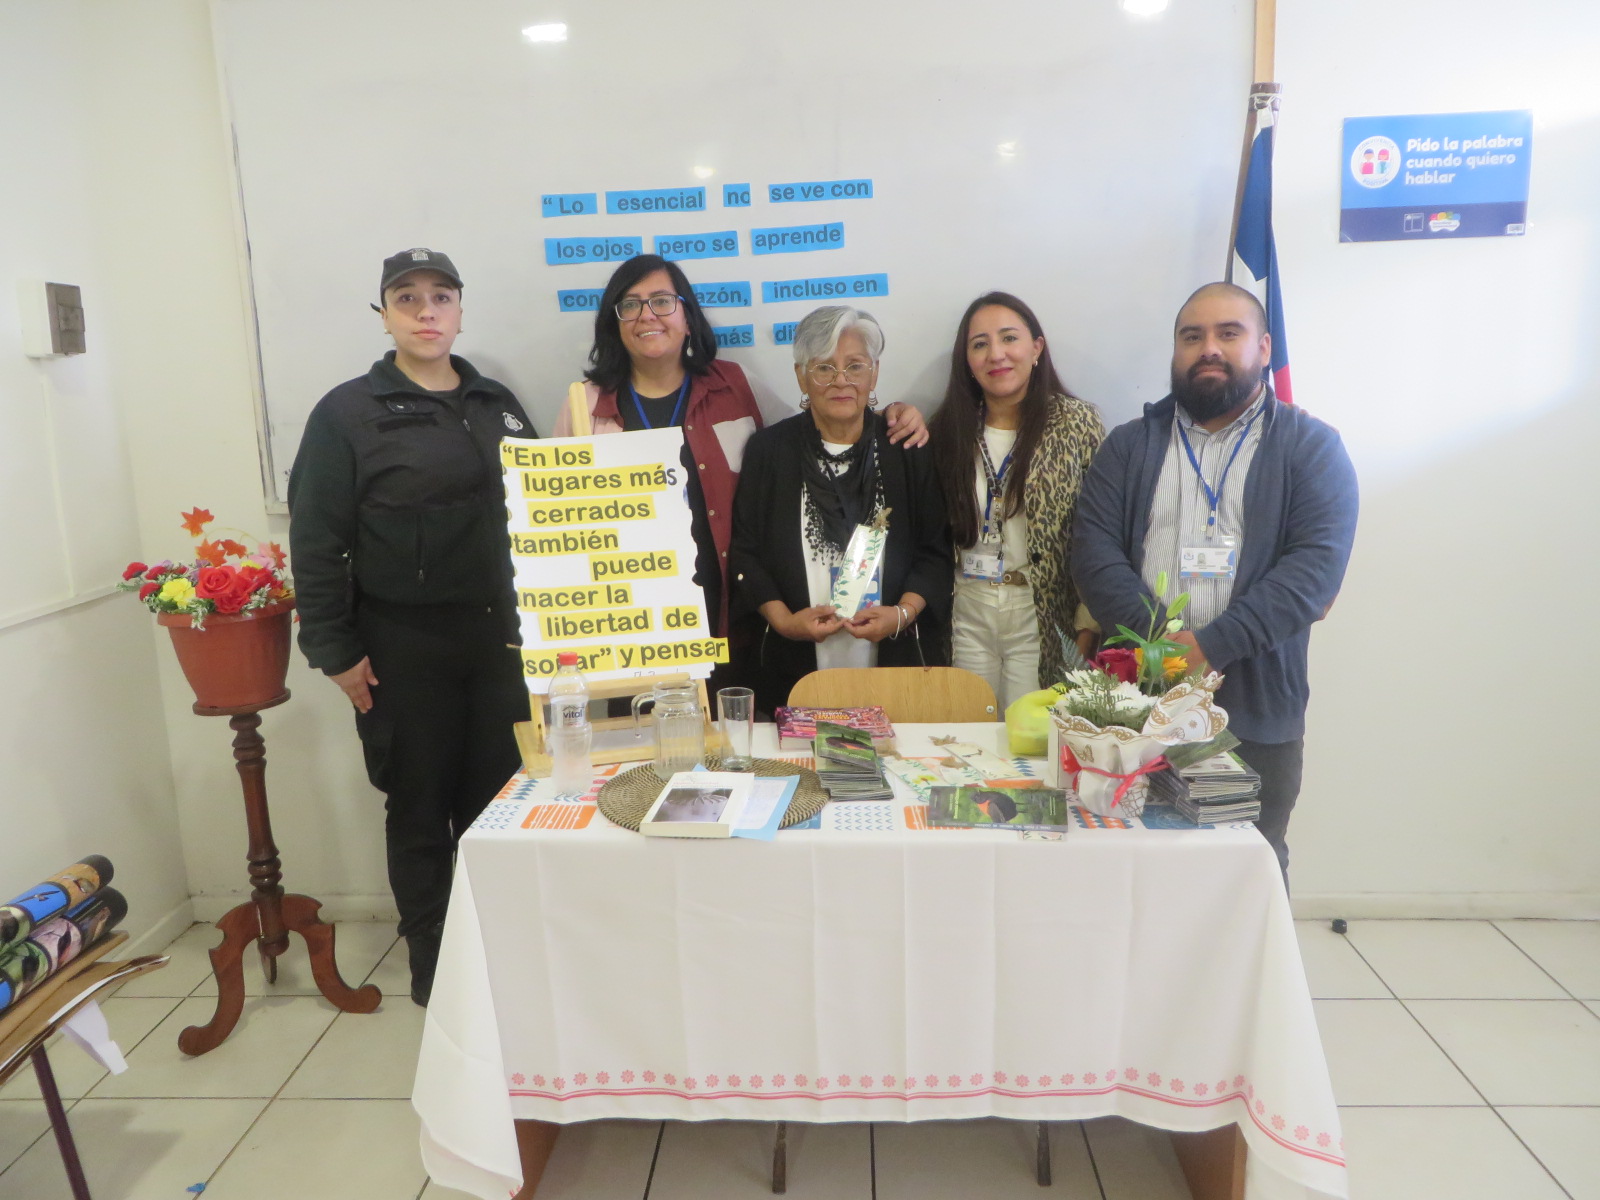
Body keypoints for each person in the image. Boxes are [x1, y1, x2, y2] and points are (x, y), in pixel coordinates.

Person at [287, 248, 536, 1005]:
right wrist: (334, 650)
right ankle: (435, 966)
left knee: (502, 805)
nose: (426, 311)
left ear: (460, 310)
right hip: (404, 645)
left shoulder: (498, 403)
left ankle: (499, 958)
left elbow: (544, 515)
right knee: (422, 807)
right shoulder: (346, 413)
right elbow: (316, 539)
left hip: (501, 644)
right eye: (407, 298)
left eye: (441, 297)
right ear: (384, 314)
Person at [1071, 282, 1358, 880]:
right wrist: (1164, 648)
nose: (1209, 348)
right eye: (1191, 336)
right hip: (1137, 700)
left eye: (1229, 333)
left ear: (1264, 347)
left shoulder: (1312, 447)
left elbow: (1312, 572)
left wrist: (1211, 647)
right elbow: (1093, 555)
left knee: (1247, 866)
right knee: (1124, 864)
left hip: (1256, 706)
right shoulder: (1127, 447)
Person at [556, 255, 928, 640]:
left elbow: (819, 429)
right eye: (630, 305)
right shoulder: (584, 405)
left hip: (728, 611)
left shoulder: (734, 386)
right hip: (629, 610)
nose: (647, 315)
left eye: (662, 301)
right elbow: (560, 520)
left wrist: (889, 416)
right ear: (614, 322)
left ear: (688, 317)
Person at [729, 306, 952, 715]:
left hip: (893, 661)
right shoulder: (768, 451)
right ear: (801, 376)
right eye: (824, 368)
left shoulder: (905, 449)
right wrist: (785, 622)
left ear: (874, 373)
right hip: (793, 664)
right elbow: (746, 553)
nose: (841, 380)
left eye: (855, 366)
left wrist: (901, 615)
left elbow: (935, 552)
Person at [927, 292, 1104, 708]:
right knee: (967, 729)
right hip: (967, 607)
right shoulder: (946, 429)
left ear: (1036, 348)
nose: (996, 354)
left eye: (1009, 338)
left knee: (1028, 732)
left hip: (1037, 610)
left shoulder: (1077, 423)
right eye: (980, 344)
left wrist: (1086, 628)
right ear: (967, 360)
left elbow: (1099, 531)